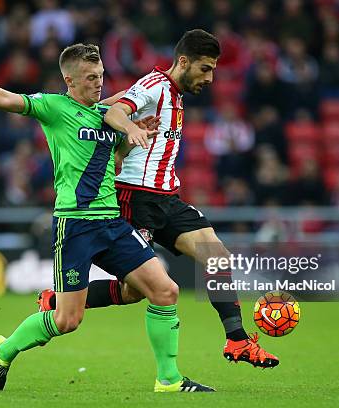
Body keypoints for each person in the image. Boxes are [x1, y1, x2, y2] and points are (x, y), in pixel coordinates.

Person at [0, 43, 214, 392]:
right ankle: (2, 350)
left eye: (100, 76)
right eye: (90, 77)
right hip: (75, 225)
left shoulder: (105, 114)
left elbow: (112, 161)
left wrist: (133, 134)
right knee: (68, 320)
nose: (98, 83)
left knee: (164, 290)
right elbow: (6, 99)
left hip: (112, 222)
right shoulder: (54, 107)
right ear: (69, 79)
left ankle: (169, 380)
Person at [39, 30, 279, 368]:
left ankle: (237, 341)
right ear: (183, 62)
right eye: (205, 69)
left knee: (218, 257)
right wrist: (131, 129)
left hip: (168, 197)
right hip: (135, 198)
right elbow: (114, 112)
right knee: (136, 290)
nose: (209, 78)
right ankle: (55, 300)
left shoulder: (176, 95)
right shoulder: (154, 85)